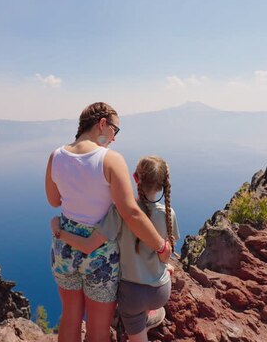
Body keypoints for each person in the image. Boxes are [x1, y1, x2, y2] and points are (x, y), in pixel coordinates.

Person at [46, 102, 172, 342]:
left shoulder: (56, 156)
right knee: (98, 328)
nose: (114, 138)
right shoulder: (111, 160)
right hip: (100, 254)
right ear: (102, 124)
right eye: (115, 130)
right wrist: (161, 246)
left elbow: (54, 201)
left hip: (64, 246)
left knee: (70, 317)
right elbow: (130, 212)